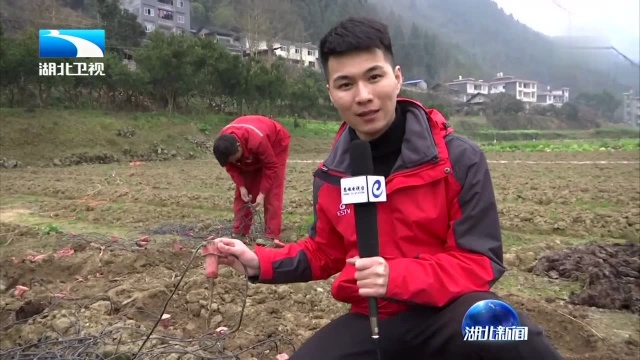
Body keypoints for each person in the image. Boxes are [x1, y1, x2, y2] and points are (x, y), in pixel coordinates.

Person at [210, 17, 565, 360]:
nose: (363, 96)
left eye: (374, 77)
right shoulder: (333, 175)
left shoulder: (459, 159)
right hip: (374, 319)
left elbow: (479, 262)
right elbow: (324, 252)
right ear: (331, 93)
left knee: (508, 331)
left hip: (449, 314)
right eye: (346, 84)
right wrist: (259, 261)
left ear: (396, 79)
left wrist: (395, 276)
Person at [212, 115, 290, 244]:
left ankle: (271, 236)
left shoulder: (257, 140)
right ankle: (240, 232)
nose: (234, 162)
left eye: (234, 159)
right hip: (251, 146)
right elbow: (231, 167)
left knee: (272, 190)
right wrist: (241, 186)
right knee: (244, 193)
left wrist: (262, 194)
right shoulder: (223, 145)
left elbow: (271, 166)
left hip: (276, 143)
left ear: (239, 147)